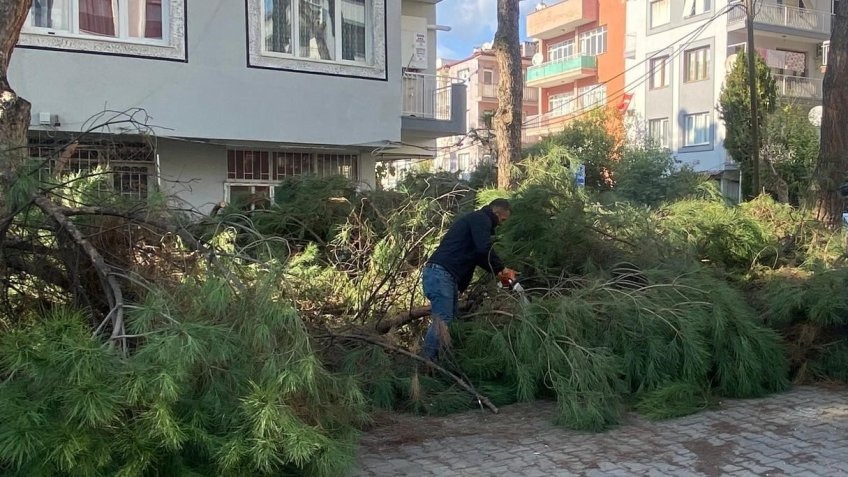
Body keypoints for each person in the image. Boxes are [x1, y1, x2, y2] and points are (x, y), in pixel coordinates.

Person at [422, 198, 517, 360]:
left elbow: (479, 256)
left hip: (445, 275)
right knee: (443, 321)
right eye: (502, 220)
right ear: (496, 212)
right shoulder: (481, 219)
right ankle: (425, 364)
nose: (501, 224)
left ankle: (442, 363)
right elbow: (483, 249)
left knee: (450, 322)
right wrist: (502, 268)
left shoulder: (477, 222)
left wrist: (499, 272)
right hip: (441, 273)